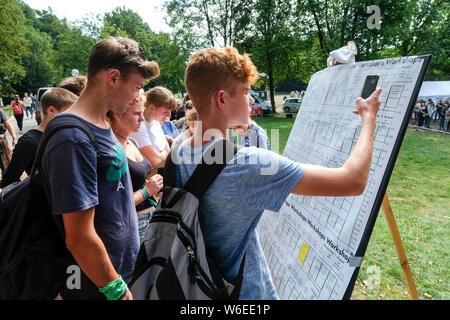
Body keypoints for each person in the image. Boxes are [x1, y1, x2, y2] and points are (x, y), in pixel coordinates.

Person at [171, 46, 382, 299]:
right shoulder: (247, 165)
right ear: (222, 99)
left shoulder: (179, 150)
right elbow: (352, 181)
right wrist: (369, 119)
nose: (251, 100)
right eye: (246, 92)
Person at [40, 36, 160, 300]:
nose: (137, 96)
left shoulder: (102, 126)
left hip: (117, 272)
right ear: (114, 77)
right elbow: (79, 236)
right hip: (95, 285)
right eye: (136, 86)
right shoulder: (72, 137)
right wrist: (114, 288)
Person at [107, 91, 164, 242]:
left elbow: (134, 182)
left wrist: (154, 187)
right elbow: (114, 203)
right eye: (137, 113)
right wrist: (147, 191)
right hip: (133, 226)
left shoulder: (131, 142)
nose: (142, 118)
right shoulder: (110, 150)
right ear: (117, 114)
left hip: (149, 220)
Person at [0, 88, 77, 188]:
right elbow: (9, 181)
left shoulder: (64, 135)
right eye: (69, 112)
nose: (74, 117)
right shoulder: (29, 141)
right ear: (51, 110)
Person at [130, 86, 175, 169]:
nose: (169, 115)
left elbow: (168, 154)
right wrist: (163, 154)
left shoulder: (156, 124)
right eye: (165, 112)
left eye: (170, 111)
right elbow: (156, 161)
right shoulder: (139, 126)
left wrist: (162, 154)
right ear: (151, 108)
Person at [0, 106, 18, 182]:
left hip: (1, 143)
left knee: (7, 166)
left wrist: (14, 138)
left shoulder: (0, 112)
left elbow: (8, 125)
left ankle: (9, 185)